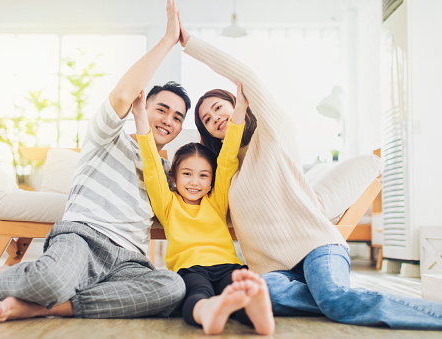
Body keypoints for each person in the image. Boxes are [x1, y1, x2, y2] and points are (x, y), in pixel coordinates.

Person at [178, 15, 442, 330]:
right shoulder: (225, 174)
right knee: (260, 296)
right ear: (208, 134)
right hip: (272, 271)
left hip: (317, 245)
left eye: (218, 107)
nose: (214, 118)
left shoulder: (272, 131)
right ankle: (340, 299)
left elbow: (247, 75)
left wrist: (189, 42)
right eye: (206, 120)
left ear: (239, 104)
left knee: (334, 298)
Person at [0, 0, 188, 322]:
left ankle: (49, 306)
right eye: (162, 109)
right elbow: (123, 96)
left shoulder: (168, 172)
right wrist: (168, 40)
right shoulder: (105, 138)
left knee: (171, 287)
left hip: (129, 258)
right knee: (51, 280)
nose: (168, 119)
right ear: (143, 106)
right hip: (83, 238)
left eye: (177, 117)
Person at [132, 84, 274, 335]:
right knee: (197, 295)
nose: (195, 182)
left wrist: (239, 108)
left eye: (203, 175)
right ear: (174, 178)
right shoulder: (167, 203)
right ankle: (210, 310)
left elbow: (228, 157)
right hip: (191, 269)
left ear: (212, 181)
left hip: (229, 266)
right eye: (187, 174)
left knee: (240, 291)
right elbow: (152, 166)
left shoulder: (216, 201)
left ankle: (257, 313)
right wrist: (140, 117)